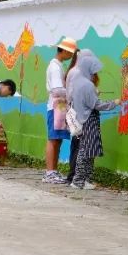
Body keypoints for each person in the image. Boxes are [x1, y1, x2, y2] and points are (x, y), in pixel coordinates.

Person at [68, 55, 121, 190]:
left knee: (88, 151)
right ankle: (79, 180)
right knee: (85, 151)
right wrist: (114, 103)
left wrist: (94, 93)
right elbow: (97, 105)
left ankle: (85, 180)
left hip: (81, 119)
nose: (95, 74)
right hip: (88, 120)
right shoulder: (87, 85)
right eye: (93, 71)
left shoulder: (78, 82)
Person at [43, 37, 77, 183]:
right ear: (62, 50)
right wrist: (73, 92)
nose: (71, 56)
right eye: (69, 52)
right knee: (53, 139)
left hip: (60, 106)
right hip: (56, 107)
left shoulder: (58, 65)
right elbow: (57, 90)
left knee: (57, 140)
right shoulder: (55, 67)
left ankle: (53, 171)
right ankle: (50, 172)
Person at [64, 48, 94, 184]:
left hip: (73, 110)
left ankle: (73, 175)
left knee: (76, 144)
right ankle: (77, 177)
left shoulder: (72, 71)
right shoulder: (79, 73)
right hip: (80, 112)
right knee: (81, 145)